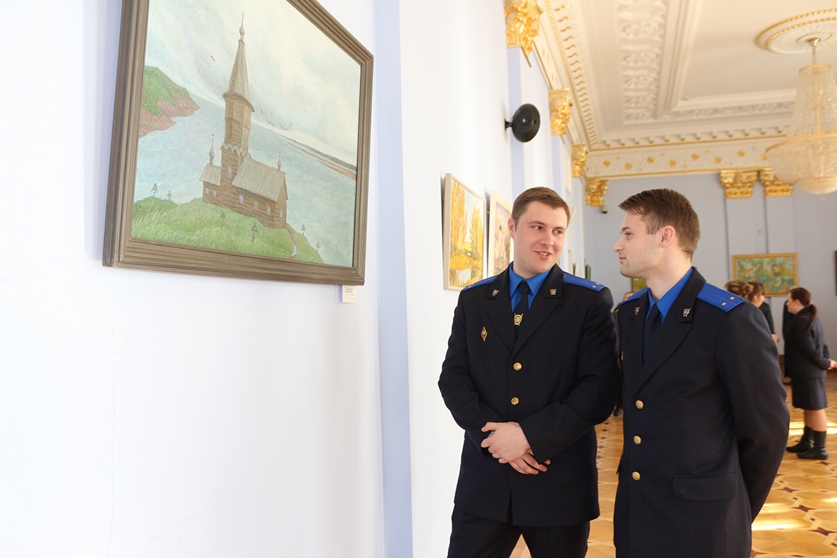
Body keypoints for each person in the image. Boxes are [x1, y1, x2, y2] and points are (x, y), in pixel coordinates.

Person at [439, 186, 619, 558]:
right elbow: (454, 377)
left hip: (558, 482)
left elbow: (599, 389)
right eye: (537, 227)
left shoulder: (588, 301)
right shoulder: (475, 299)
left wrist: (528, 436)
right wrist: (495, 439)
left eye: (558, 231)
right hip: (485, 481)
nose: (548, 241)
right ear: (512, 227)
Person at [611, 189, 789, 558]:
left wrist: (732, 507)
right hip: (637, 513)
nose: (618, 245)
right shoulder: (630, 314)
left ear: (665, 236)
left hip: (704, 523)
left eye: (628, 233)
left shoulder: (730, 319)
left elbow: (766, 433)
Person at [783, 287, 837, 460]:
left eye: (789, 300)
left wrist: (825, 363)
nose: (787, 304)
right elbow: (822, 346)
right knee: (809, 408)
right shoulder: (808, 317)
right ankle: (806, 441)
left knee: (816, 408)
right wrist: (826, 361)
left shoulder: (803, 320)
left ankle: (820, 448)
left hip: (809, 373)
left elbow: (809, 349)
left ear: (797, 301)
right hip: (807, 372)